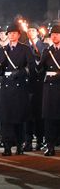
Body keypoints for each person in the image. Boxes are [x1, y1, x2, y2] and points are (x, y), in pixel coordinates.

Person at [0, 24, 35, 156]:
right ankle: (7, 146)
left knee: (19, 118)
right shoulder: (2, 50)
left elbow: (31, 67)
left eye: (14, 33)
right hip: (7, 86)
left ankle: (19, 145)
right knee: (6, 119)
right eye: (9, 33)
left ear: (18, 35)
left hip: (19, 86)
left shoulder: (25, 49)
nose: (11, 35)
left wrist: (19, 73)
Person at [23, 23, 49, 152]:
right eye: (29, 30)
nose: (31, 32)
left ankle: (39, 139)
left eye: (33, 30)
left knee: (38, 113)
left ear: (38, 32)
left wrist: (40, 63)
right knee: (27, 113)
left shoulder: (45, 47)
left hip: (39, 85)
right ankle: (27, 140)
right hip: (26, 84)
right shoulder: (23, 47)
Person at [38, 24, 60, 156]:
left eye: (57, 34)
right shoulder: (47, 51)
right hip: (50, 87)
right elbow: (39, 70)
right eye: (53, 35)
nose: (55, 36)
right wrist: (42, 60)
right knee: (49, 117)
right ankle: (50, 145)